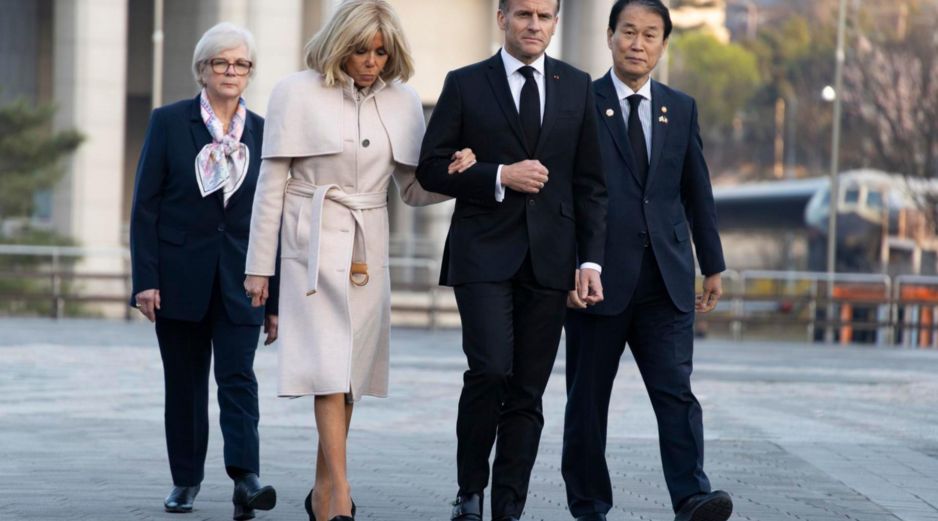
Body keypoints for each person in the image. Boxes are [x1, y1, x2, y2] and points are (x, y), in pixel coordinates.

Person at [243, 2, 474, 520]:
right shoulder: (294, 91)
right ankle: (340, 498)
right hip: (311, 246)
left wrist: (458, 176)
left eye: (380, 51)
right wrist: (259, 266)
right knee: (327, 370)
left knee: (348, 376)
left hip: (368, 250)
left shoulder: (404, 100)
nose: (371, 61)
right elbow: (271, 187)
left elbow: (413, 191)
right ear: (337, 45)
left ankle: (323, 491)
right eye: (360, 50)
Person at [415, 1, 607, 519]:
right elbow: (430, 169)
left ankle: (508, 507)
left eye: (545, 16)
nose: (534, 25)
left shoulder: (577, 85)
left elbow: (590, 184)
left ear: (556, 22)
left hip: (551, 259)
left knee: (527, 390)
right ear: (502, 18)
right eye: (523, 13)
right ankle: (470, 490)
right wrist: (498, 175)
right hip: (481, 253)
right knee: (490, 368)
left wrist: (590, 263)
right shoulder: (465, 83)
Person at [560, 2, 732, 521]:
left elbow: (696, 190)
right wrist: (571, 264)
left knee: (676, 394)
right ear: (609, 36)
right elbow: (566, 195)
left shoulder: (680, 108)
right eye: (628, 32)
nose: (638, 43)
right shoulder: (579, 102)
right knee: (587, 402)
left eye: (650, 35)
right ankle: (589, 504)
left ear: (663, 44)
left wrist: (713, 263)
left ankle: (691, 496)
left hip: (667, 277)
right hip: (598, 280)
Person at [129, 22, 279, 521]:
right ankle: (186, 480)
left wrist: (274, 298)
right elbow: (145, 206)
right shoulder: (169, 122)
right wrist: (145, 279)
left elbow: (272, 215)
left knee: (239, 379)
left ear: (249, 73)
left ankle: (246, 479)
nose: (232, 71)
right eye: (222, 62)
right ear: (203, 69)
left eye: (241, 64)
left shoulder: (263, 131)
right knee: (186, 384)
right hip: (178, 279)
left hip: (244, 280)